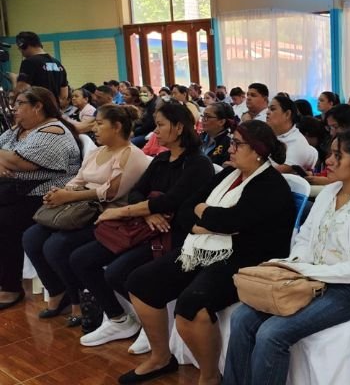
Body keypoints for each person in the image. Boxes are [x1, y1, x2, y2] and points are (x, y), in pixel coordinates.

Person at [118, 120, 295, 384]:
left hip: (249, 256)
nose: (230, 149)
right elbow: (188, 208)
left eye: (237, 143)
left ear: (257, 150)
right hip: (205, 246)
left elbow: (232, 222)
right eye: (232, 142)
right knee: (140, 282)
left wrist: (207, 215)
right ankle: (160, 357)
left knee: (193, 304)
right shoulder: (228, 175)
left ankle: (210, 376)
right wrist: (207, 222)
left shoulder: (271, 185)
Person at [223, 129, 350, 385]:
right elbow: (305, 238)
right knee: (241, 319)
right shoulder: (329, 193)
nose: (328, 160)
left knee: (272, 334)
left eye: (338, 155)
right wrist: (296, 267)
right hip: (310, 278)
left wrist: (309, 272)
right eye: (330, 153)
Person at [71, 101, 214, 347]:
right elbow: (138, 193)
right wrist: (148, 213)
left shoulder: (197, 164)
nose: (155, 131)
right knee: (80, 259)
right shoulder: (161, 159)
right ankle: (119, 318)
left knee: (118, 273)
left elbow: (172, 201)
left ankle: (151, 324)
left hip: (172, 234)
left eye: (160, 125)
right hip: (145, 227)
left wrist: (120, 212)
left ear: (179, 127)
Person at [22, 105, 149, 325]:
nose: (95, 129)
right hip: (78, 209)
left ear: (117, 126)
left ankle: (78, 300)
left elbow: (110, 193)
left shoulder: (132, 155)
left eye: (100, 124)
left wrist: (68, 197)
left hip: (103, 215)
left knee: (56, 246)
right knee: (31, 237)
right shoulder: (97, 152)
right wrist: (61, 192)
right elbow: (78, 179)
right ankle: (56, 291)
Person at [0, 87, 81, 309]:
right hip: (17, 190)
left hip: (47, 195)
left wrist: (7, 161)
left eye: (19, 104)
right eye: (13, 103)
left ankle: (10, 287)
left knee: (5, 221)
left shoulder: (54, 131)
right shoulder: (19, 130)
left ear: (38, 106)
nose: (14, 109)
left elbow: (19, 163)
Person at [15, 32, 68, 106]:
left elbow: (22, 90)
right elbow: (64, 95)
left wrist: (14, 80)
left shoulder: (28, 62)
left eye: (19, 47)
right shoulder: (58, 64)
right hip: (54, 111)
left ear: (23, 45)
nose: (20, 51)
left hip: (37, 111)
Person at [268, 95, 318, 173]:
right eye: (268, 109)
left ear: (287, 114)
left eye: (272, 109)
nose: (267, 112)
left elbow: (281, 170)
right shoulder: (267, 135)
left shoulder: (297, 142)